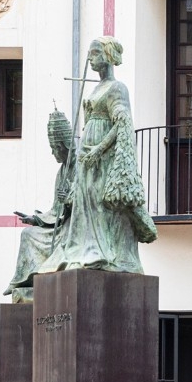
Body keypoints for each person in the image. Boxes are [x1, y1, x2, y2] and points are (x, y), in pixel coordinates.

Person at [37, 35, 156, 277]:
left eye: (96, 53)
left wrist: (99, 149)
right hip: (86, 155)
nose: (91, 59)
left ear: (109, 56)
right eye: (90, 54)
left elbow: (122, 123)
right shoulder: (96, 87)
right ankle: (81, 249)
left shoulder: (117, 88)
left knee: (98, 203)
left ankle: (102, 251)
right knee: (84, 202)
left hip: (101, 156)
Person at [3, 108, 75, 302]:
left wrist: (70, 198)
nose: (53, 153)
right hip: (62, 224)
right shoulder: (62, 172)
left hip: (78, 227)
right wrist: (36, 219)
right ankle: (23, 280)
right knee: (28, 234)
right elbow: (55, 210)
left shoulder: (83, 167)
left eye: (54, 148)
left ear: (63, 145)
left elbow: (90, 199)